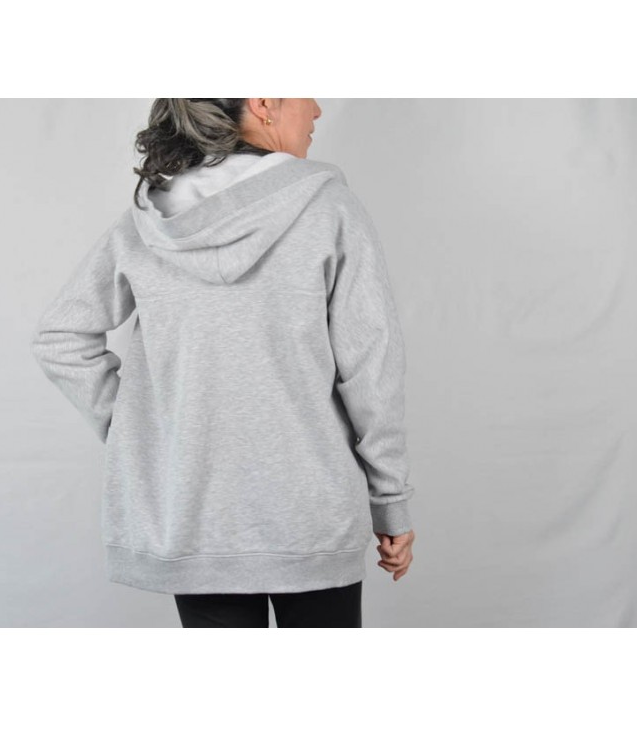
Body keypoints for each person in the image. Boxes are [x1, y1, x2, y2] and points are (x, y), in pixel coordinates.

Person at [31, 98, 416, 628]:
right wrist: (390, 501)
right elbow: (372, 370)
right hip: (313, 517)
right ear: (264, 102)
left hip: (191, 520)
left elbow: (60, 337)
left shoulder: (150, 222)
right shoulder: (329, 209)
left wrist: (144, 432)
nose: (317, 109)